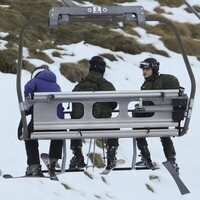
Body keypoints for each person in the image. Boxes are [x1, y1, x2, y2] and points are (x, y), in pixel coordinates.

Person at [69, 56, 119, 170]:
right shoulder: (107, 85)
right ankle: (111, 155)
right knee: (114, 125)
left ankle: (77, 156)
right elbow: (114, 103)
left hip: (80, 126)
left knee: (73, 122)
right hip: (102, 125)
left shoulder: (79, 86)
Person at [135, 57, 180, 173]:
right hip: (164, 121)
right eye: (143, 69)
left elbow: (146, 106)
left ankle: (145, 156)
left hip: (150, 120)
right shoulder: (164, 82)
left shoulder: (148, 85)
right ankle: (171, 158)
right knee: (164, 133)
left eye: (147, 69)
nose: (144, 72)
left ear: (153, 69)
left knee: (136, 124)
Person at [23, 65, 64, 176]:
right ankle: (54, 160)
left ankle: (34, 166)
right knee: (59, 131)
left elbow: (27, 105)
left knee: (27, 134)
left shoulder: (33, 83)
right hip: (58, 123)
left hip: (39, 123)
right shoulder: (56, 85)